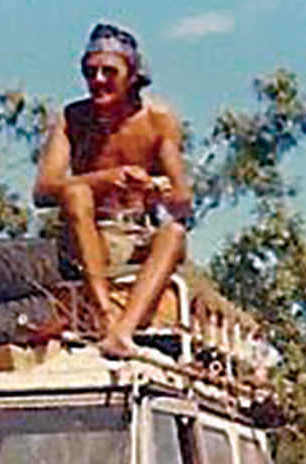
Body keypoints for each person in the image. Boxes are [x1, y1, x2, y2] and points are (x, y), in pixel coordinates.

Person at [33, 22, 192, 356]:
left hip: (136, 234)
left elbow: (182, 202)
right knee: (76, 193)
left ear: (132, 75)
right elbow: (43, 191)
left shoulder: (158, 120)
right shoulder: (72, 118)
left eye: (109, 72)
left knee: (174, 233)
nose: (98, 81)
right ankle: (105, 318)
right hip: (87, 235)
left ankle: (122, 332)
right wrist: (104, 179)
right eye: (91, 73)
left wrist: (153, 188)